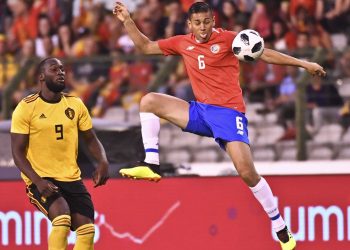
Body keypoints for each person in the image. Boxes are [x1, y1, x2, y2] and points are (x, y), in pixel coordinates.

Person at [113, 2, 326, 249]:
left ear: (213, 20)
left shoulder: (229, 39)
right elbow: (145, 46)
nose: (202, 28)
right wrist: (128, 20)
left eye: (206, 21)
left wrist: (304, 64)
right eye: (197, 23)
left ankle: (279, 226)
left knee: (247, 172)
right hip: (200, 112)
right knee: (149, 101)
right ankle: (151, 164)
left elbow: (264, 52)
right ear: (189, 24)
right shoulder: (182, 42)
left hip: (228, 114)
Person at [11, 57, 110, 250]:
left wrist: (103, 161)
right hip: (41, 178)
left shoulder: (75, 105)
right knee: (62, 217)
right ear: (41, 77)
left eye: (62, 69)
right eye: (54, 69)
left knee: (87, 230)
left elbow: (90, 138)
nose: (61, 73)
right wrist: (38, 182)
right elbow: (17, 153)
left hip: (71, 177)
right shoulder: (26, 107)